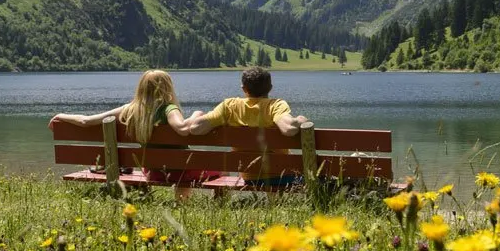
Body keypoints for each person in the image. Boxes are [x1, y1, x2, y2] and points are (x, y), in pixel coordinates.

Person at [51, 70, 206, 184]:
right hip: (180, 172)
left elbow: (86, 121)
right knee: (216, 169)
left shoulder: (130, 110)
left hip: (154, 173)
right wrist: (196, 115)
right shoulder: (169, 109)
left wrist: (61, 116)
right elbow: (183, 129)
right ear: (168, 88)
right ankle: (181, 203)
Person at [183, 66, 311, 186]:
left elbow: (195, 128)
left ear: (244, 88)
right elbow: (289, 129)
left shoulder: (229, 106)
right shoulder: (275, 105)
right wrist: (300, 119)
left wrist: (196, 115)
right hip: (282, 176)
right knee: (324, 179)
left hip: (250, 178)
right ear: (270, 87)